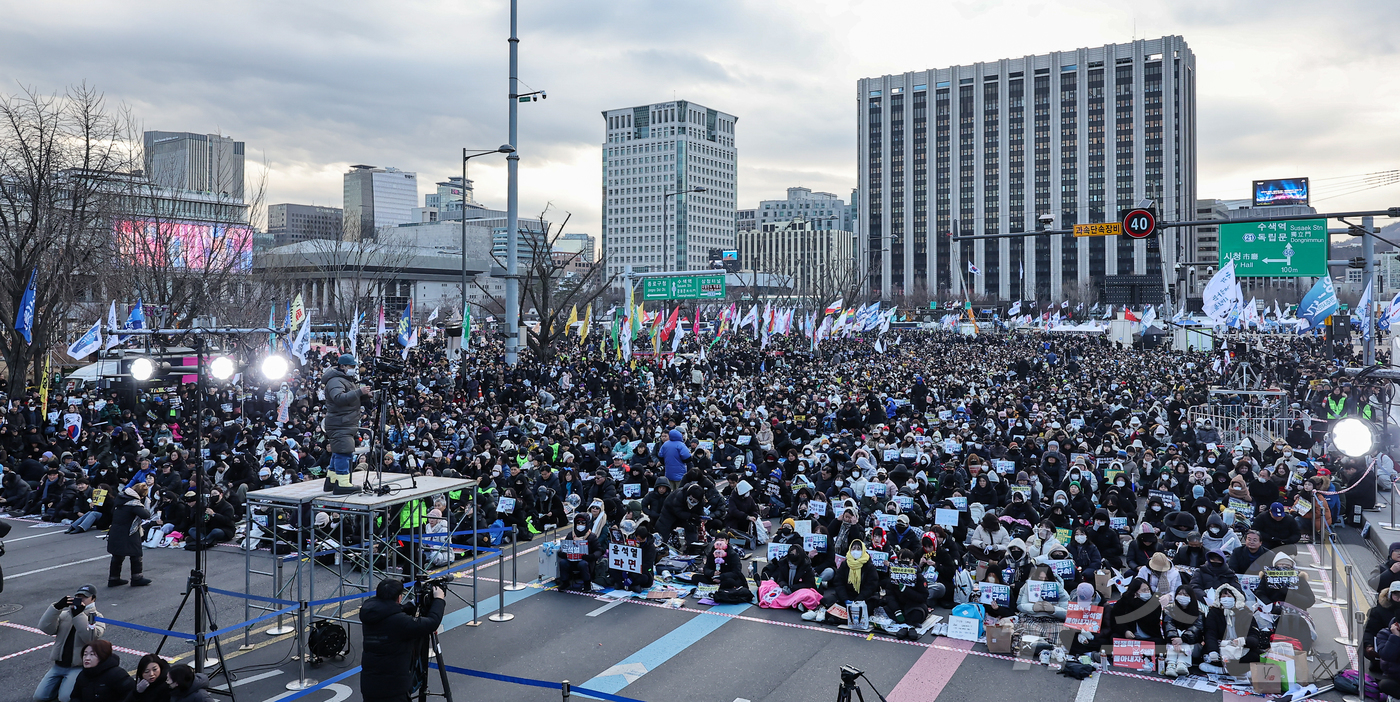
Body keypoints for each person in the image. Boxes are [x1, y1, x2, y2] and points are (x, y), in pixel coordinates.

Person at [359, 578, 447, 702]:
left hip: (370, 685)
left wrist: (412, 605)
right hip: (393, 689)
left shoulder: (371, 613)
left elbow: (392, 612)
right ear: (399, 598)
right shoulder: (400, 622)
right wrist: (439, 599)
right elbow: (432, 623)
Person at [34, 584, 105, 702]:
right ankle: (63, 684)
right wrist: (56, 608)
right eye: (78, 596)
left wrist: (78, 615)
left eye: (84, 597)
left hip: (77, 666)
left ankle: (79, 684)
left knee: (65, 698)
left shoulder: (96, 617)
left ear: (93, 599)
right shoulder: (66, 615)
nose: (80, 599)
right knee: (39, 697)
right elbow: (45, 628)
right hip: (59, 665)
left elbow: (90, 638)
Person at [322, 354, 371, 494]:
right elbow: (339, 398)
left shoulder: (345, 380)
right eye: (351, 366)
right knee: (344, 453)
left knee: (338, 453)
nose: (353, 369)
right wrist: (358, 391)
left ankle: (331, 481)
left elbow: (350, 400)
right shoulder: (335, 381)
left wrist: (364, 396)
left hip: (344, 422)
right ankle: (343, 484)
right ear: (342, 366)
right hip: (340, 423)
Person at [1199, 584, 1264, 675]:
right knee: (1208, 656)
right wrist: (1213, 650)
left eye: (1229, 596)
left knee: (1255, 656)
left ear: (1236, 597)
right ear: (1219, 598)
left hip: (1240, 647)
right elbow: (1210, 633)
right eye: (1223, 596)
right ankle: (1238, 671)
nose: (1226, 598)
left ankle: (1223, 670)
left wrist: (1243, 641)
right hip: (1222, 646)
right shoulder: (1214, 612)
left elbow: (1254, 636)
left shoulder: (1245, 613)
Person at [106, 484, 152, 587]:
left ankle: (113, 578)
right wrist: (144, 505)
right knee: (136, 554)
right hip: (129, 532)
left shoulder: (121, 498)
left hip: (115, 530)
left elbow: (112, 511)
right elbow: (146, 515)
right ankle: (137, 578)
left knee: (117, 555)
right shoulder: (134, 503)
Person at [1162, 586, 1205, 678]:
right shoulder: (1169, 610)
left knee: (1184, 636)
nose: (1182, 596)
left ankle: (1182, 663)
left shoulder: (1199, 613)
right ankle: (1171, 665)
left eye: (1185, 595)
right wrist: (1175, 639)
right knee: (1177, 632)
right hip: (1173, 643)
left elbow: (1196, 629)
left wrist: (1183, 639)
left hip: (1193, 645)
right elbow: (1168, 626)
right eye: (1180, 594)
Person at [1109, 577, 1163, 644]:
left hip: (1149, 637)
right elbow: (1116, 621)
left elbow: (1152, 620)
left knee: (1159, 642)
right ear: (1135, 592)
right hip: (1130, 637)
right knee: (1113, 638)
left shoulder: (1155, 603)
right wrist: (1125, 631)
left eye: (1148, 589)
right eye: (1144, 590)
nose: (1147, 592)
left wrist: (1137, 603)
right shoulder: (1123, 602)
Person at [1365, 587, 1400, 675]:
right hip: (1383, 646)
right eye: (1396, 595)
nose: (1399, 599)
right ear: (1389, 595)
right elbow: (1368, 631)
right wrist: (1369, 646)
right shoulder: (1377, 612)